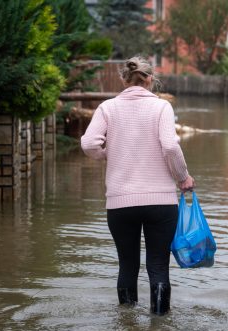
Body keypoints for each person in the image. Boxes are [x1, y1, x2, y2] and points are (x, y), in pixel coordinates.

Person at [81, 56, 195, 315]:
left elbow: (88, 144)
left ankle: (127, 326)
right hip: (160, 203)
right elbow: (169, 146)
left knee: (127, 266)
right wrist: (183, 178)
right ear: (151, 80)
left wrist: (108, 153)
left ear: (123, 79)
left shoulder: (107, 107)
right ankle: (160, 327)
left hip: (120, 202)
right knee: (158, 266)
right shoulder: (162, 107)